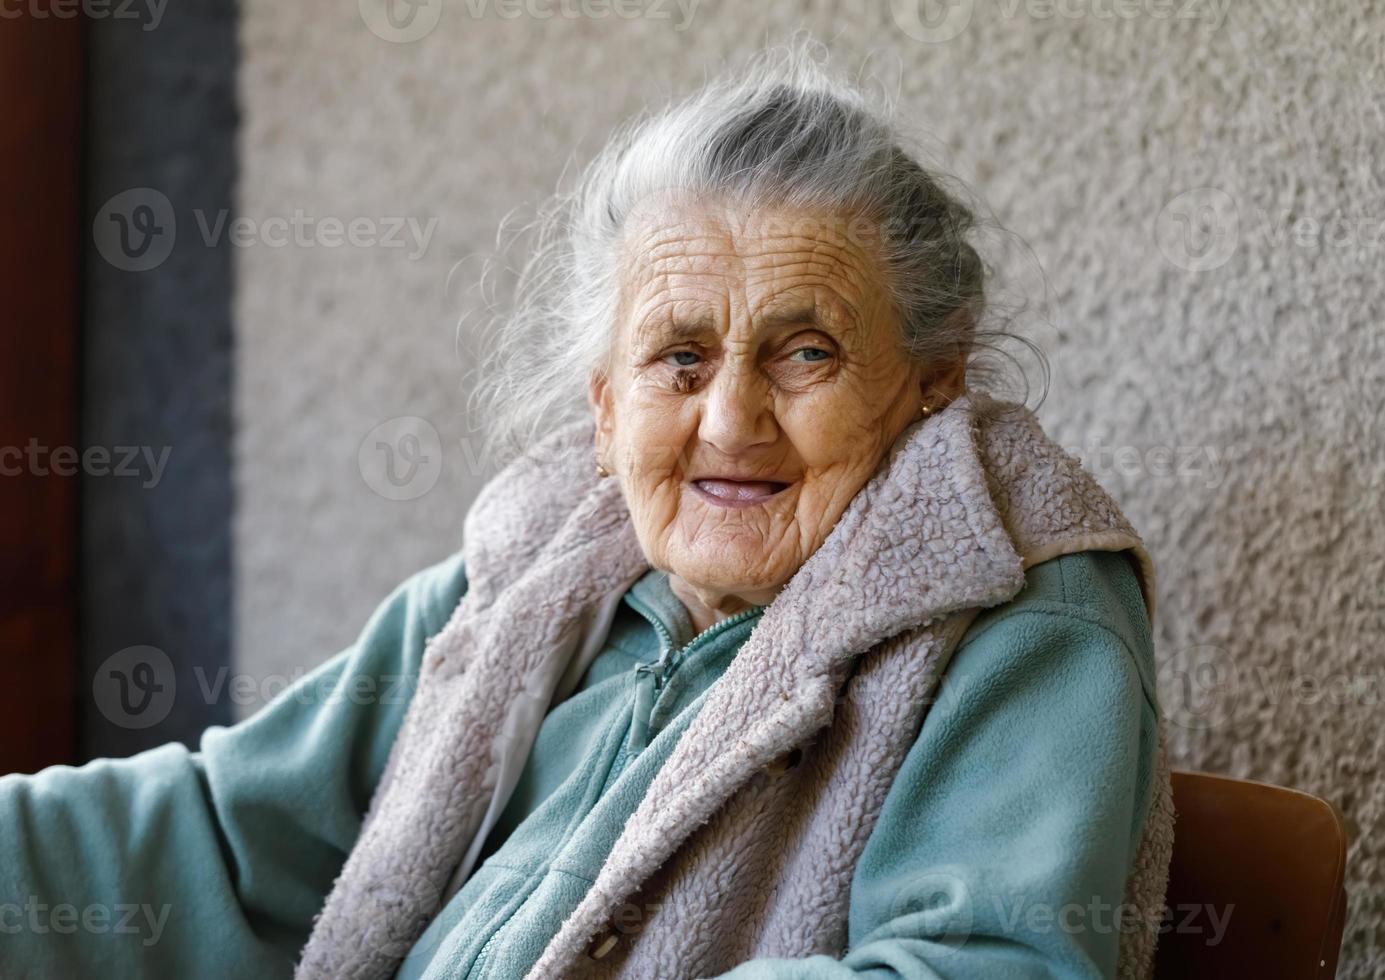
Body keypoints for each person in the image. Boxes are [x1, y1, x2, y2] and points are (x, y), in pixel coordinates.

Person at [0, 44, 1172, 980]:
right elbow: (224, 834)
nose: (728, 418)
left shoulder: (1016, 615)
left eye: (804, 350)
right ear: (605, 407)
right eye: (677, 356)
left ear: (931, 383)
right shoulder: (532, 580)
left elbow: (978, 964)